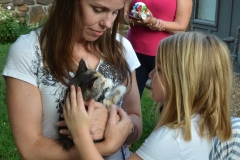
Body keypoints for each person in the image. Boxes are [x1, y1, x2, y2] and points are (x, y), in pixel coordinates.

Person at [2, 0, 142, 159]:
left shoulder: (121, 47)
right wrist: (104, 147)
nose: (108, 23)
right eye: (97, 10)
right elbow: (30, 149)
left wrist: (119, 125)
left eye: (115, 12)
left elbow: (135, 117)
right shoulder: (28, 52)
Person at [62, 31, 235, 159]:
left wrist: (80, 134)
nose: (150, 74)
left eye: (158, 69)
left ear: (182, 81)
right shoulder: (206, 123)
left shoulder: (170, 139)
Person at [124, 0, 192, 98]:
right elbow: (123, 16)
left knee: (166, 101)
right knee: (127, 98)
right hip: (133, 52)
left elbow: (181, 27)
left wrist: (154, 22)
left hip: (164, 55)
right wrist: (132, 19)